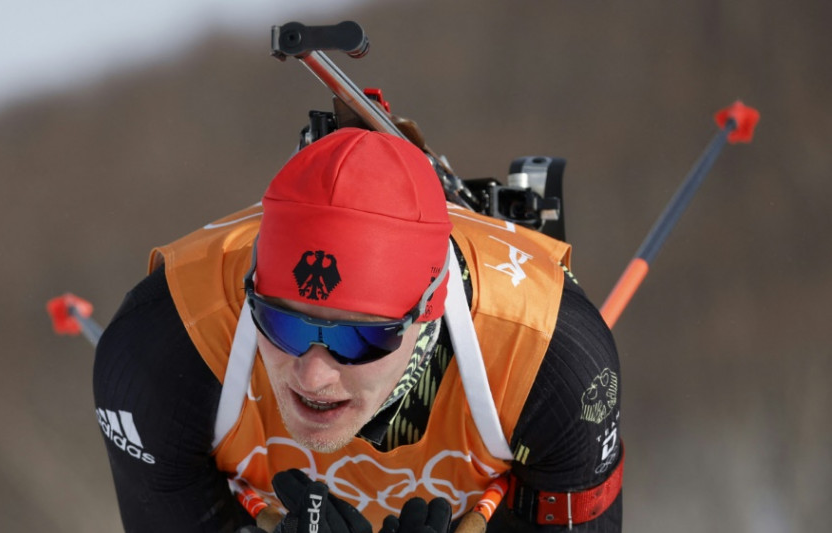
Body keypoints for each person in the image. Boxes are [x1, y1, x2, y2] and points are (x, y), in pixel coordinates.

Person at [93, 127, 623, 532]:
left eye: (357, 338)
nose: (313, 376)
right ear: (251, 291)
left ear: (428, 310)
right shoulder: (166, 345)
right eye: (281, 323)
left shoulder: (547, 356)